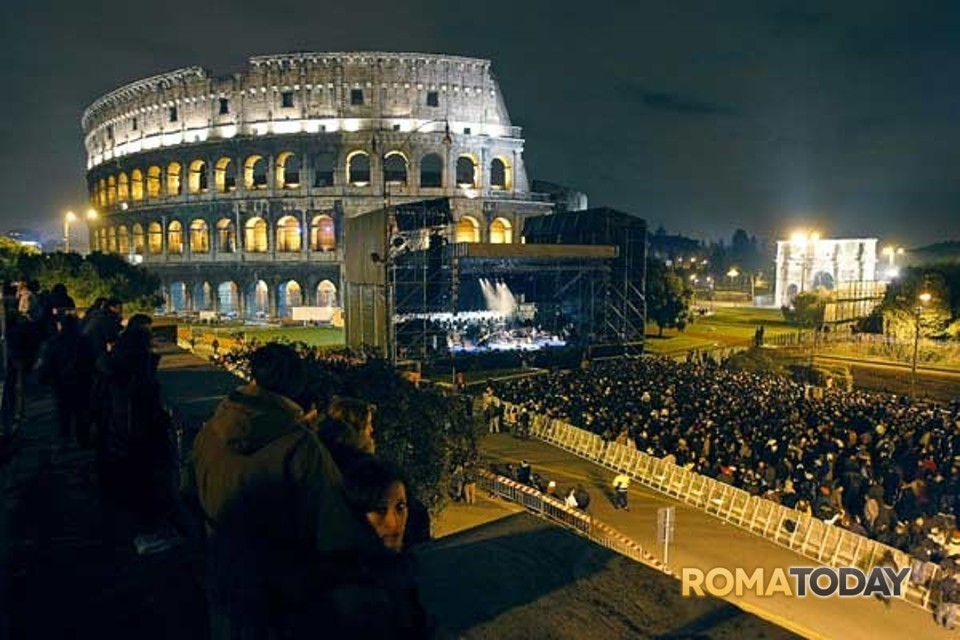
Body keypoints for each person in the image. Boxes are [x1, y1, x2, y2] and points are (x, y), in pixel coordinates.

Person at [192, 343, 361, 639]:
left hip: (222, 572)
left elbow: (187, 496)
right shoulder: (300, 447)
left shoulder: (210, 431)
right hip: (279, 592)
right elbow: (336, 529)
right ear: (294, 382)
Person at [338, 456, 429, 638]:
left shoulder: (403, 571)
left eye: (400, 507)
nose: (393, 523)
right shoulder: (345, 591)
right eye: (380, 509)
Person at [36, 314, 95, 449]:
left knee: (63, 412)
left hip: (60, 382)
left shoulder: (54, 342)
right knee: (81, 411)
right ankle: (83, 439)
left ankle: (64, 439)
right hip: (82, 381)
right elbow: (91, 360)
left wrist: (44, 377)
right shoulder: (84, 341)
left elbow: (48, 362)